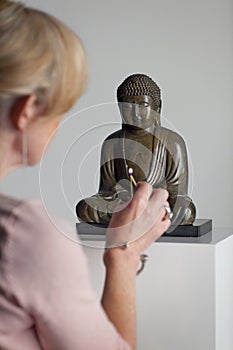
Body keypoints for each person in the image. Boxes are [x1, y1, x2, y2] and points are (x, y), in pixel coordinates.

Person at [0, 2, 171, 350]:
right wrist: (123, 254)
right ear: (28, 110)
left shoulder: (172, 144)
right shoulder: (27, 234)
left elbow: (176, 187)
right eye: (62, 110)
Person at [76, 73, 196, 227]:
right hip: (124, 204)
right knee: (85, 208)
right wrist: (123, 198)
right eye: (128, 106)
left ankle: (134, 216)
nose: (135, 113)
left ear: (157, 108)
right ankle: (138, 216)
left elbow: (177, 192)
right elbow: (106, 192)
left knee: (186, 211)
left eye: (143, 105)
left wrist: (157, 199)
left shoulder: (172, 142)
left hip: (158, 203)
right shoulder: (112, 143)